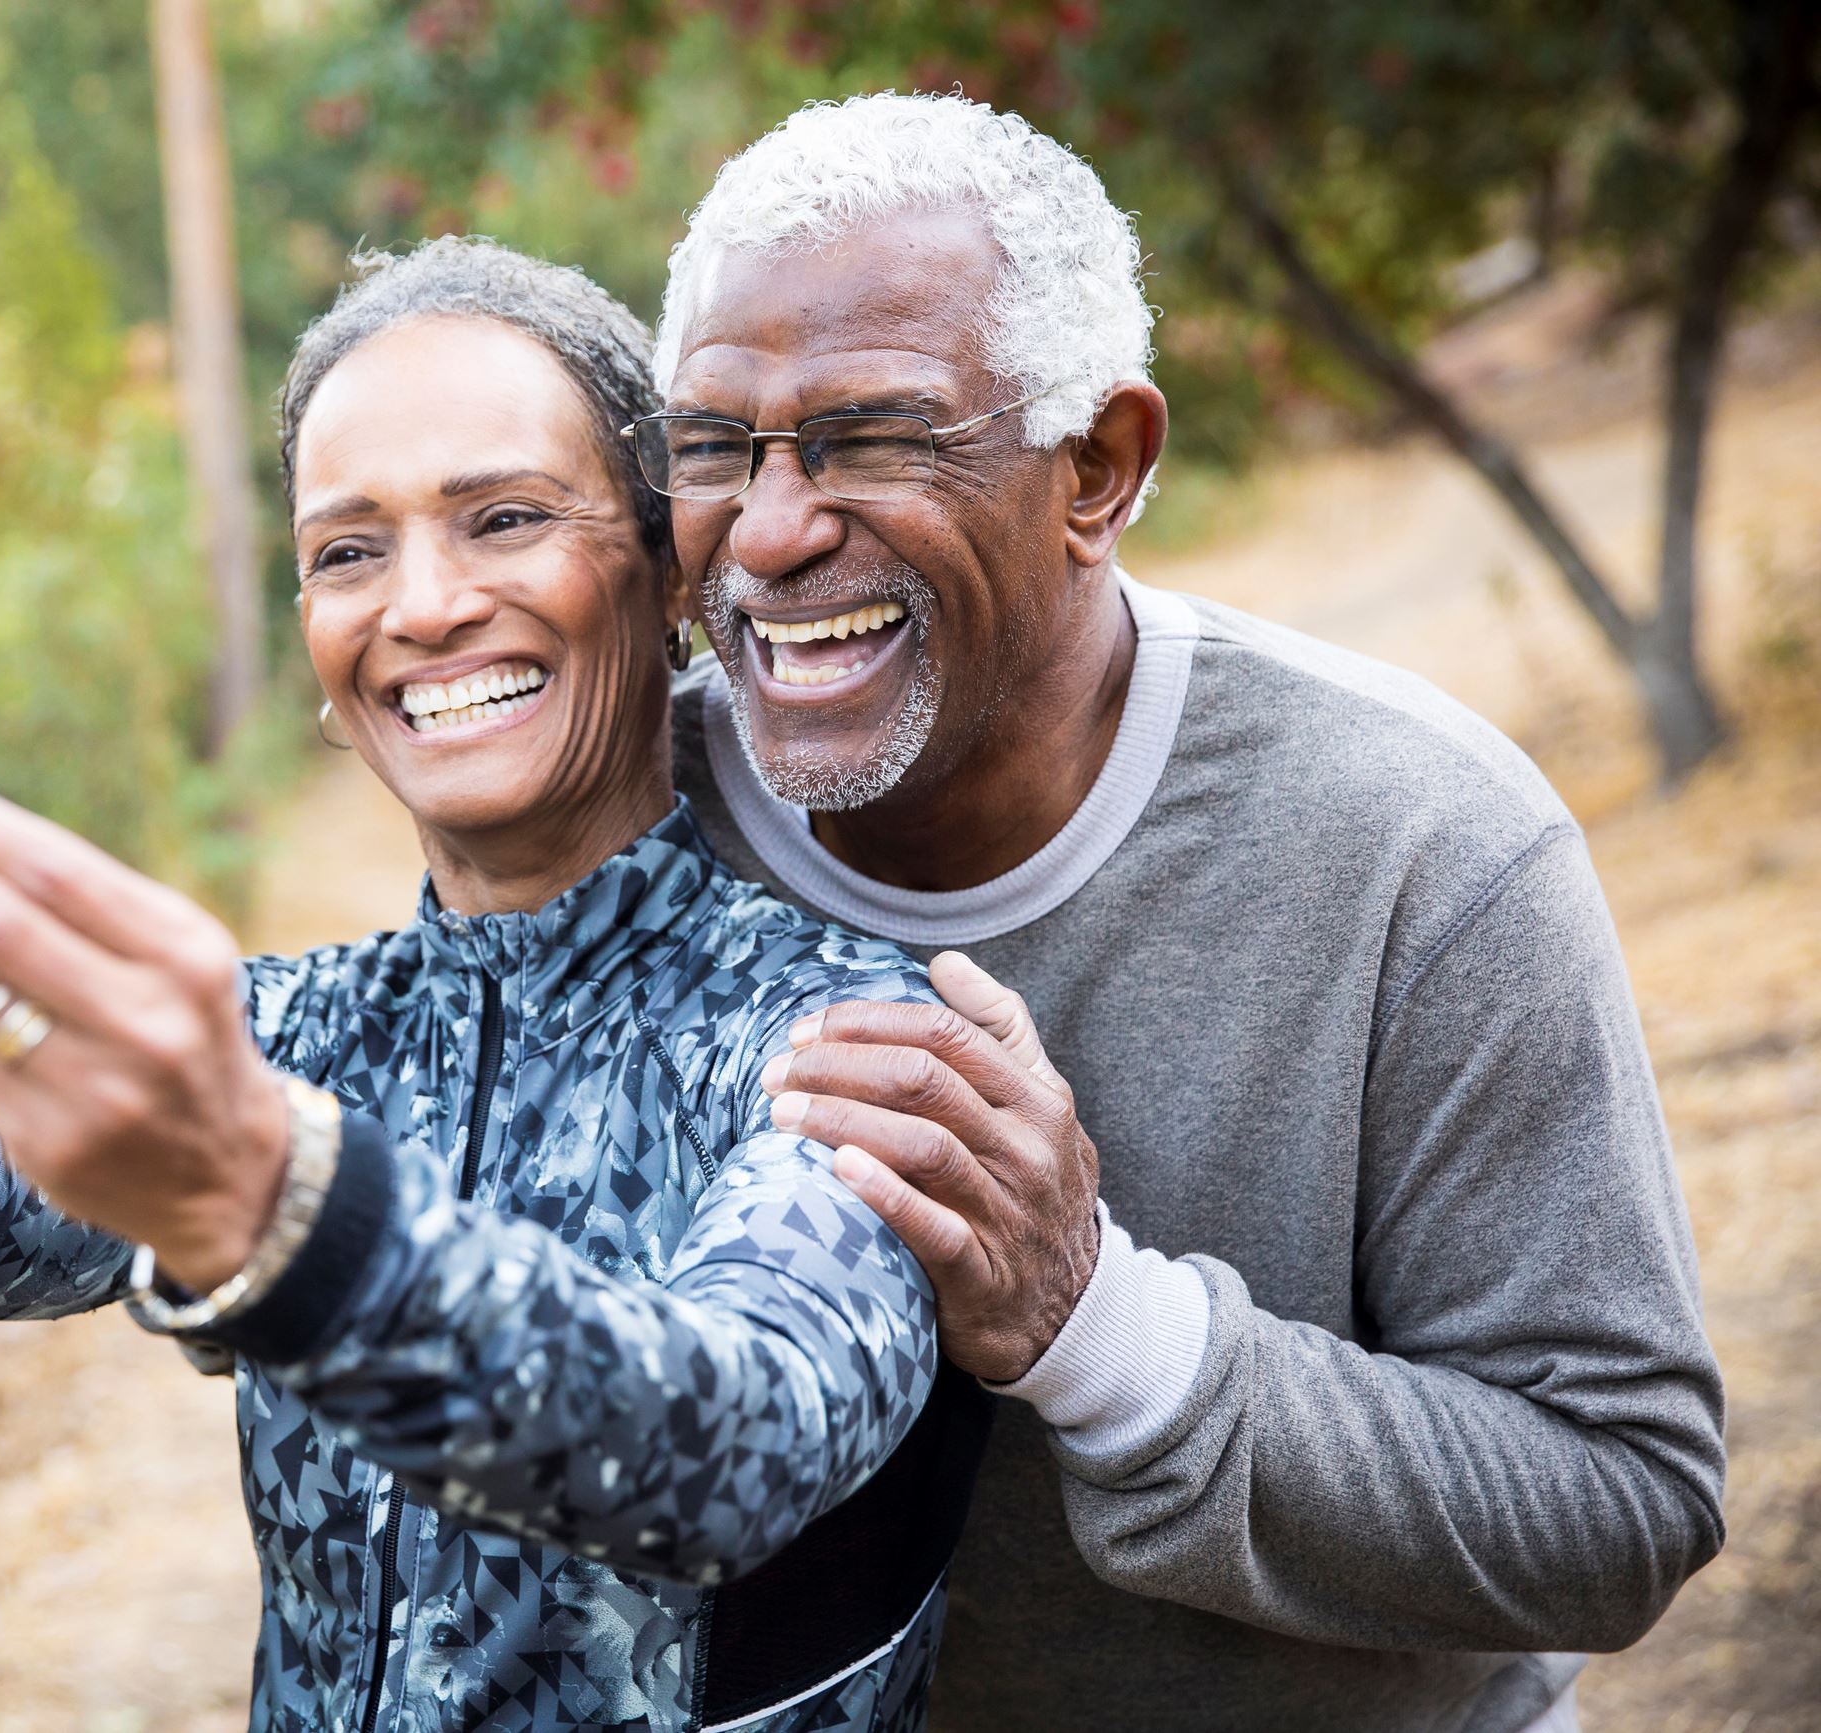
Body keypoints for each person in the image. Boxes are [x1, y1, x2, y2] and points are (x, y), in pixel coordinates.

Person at [0, 238, 1011, 1732]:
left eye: (504, 516)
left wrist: (277, 1203)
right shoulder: (291, 1030)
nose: (426, 607)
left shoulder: (849, 1034)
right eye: (349, 550)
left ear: (663, 575)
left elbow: (721, 1444)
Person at [640, 93, 1727, 1732]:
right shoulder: (624, 824)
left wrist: (1097, 1325)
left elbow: (1620, 1508)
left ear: (1099, 466)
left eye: (874, 438)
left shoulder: (1419, 840)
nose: (774, 530)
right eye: (716, 447)